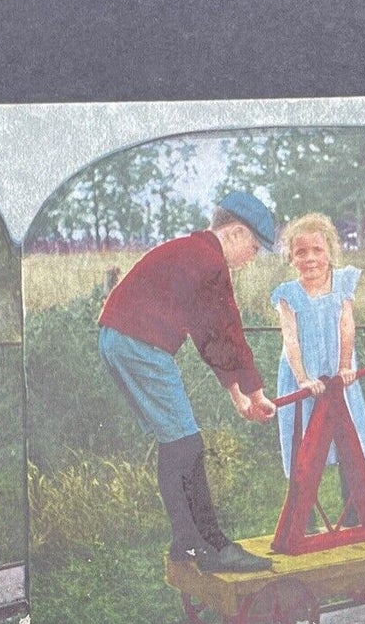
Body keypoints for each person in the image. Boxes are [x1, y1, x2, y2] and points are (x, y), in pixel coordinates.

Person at [97, 191, 277, 573]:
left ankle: (187, 543)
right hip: (139, 342)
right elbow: (229, 331)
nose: (252, 258)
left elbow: (209, 336)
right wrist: (257, 393)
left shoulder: (193, 252)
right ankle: (213, 548)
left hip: (118, 339)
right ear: (236, 233)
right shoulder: (210, 261)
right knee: (187, 444)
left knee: (176, 442)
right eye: (255, 248)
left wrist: (238, 395)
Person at [270, 213, 365, 524]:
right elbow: (290, 338)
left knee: (348, 437)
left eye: (317, 250)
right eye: (301, 252)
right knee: (301, 443)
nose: (310, 258)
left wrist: (344, 366)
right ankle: (304, 518)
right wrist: (302, 378)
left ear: (330, 251)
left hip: (338, 375)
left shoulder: (342, 283)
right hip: (303, 375)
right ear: (291, 256)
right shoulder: (288, 294)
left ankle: (354, 512)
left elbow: (347, 326)